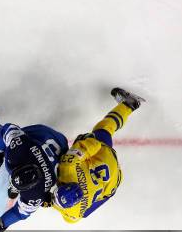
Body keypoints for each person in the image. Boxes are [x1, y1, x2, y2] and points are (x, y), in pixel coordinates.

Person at [0, 107, 69, 232]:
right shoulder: (20, 152)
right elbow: (8, 130)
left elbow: (20, 213)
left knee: (4, 150)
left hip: (56, 143)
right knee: (1, 144)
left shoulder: (35, 194)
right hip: (43, 136)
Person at [51, 87, 144, 223]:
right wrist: (85, 140)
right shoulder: (67, 167)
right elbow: (94, 144)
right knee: (102, 129)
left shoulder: (76, 213)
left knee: (104, 191)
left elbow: (94, 206)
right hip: (105, 160)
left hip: (113, 182)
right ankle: (130, 104)